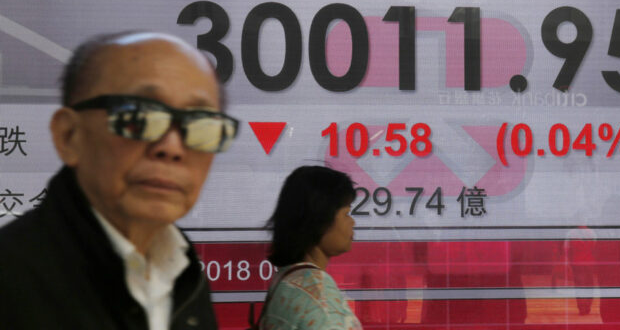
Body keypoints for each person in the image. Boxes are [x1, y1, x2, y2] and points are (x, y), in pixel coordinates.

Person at [0, 31, 239, 330]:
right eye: (138, 117)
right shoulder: (11, 278)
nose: (172, 147)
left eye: (201, 123)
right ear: (68, 136)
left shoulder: (187, 277)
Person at [258, 166, 362, 330]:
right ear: (320, 219)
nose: (352, 222)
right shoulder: (318, 294)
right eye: (346, 213)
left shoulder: (287, 279)